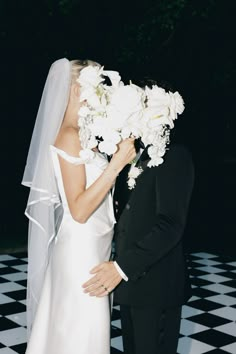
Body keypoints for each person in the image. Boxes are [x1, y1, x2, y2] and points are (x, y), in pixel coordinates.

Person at [22, 58, 136, 354]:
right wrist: (116, 166)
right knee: (81, 334)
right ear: (75, 89)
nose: (103, 93)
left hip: (95, 244)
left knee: (81, 334)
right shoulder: (69, 135)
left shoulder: (84, 135)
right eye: (97, 85)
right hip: (80, 253)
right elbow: (79, 209)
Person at [83, 140, 194, 354]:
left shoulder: (175, 154)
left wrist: (120, 267)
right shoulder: (133, 154)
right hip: (130, 285)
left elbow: (171, 225)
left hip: (157, 287)